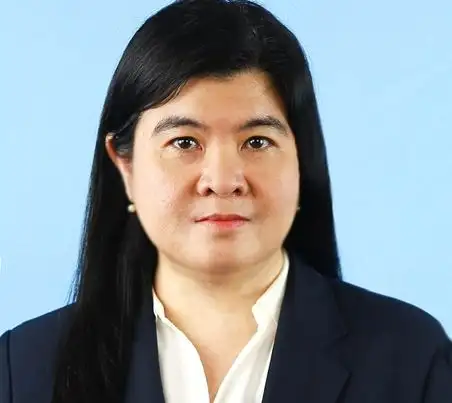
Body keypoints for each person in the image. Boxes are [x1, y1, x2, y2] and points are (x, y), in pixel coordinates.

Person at [1, 0, 451, 402]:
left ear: (302, 162)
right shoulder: (24, 369)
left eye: (256, 142)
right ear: (125, 166)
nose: (222, 181)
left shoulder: (411, 361)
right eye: (184, 142)